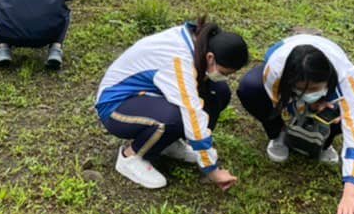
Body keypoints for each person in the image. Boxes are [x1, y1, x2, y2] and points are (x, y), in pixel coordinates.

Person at [95, 17, 248, 191]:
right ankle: (130, 157)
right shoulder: (179, 60)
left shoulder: (199, 44)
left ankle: (167, 144)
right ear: (211, 57)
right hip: (115, 105)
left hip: (149, 95)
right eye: (224, 72)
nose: (225, 77)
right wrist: (212, 169)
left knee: (217, 91)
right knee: (177, 116)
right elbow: (192, 112)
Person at [235, 32, 354, 214]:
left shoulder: (345, 76)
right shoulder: (275, 69)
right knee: (251, 87)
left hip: (326, 89)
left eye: (315, 89)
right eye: (302, 90)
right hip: (282, 84)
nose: (309, 94)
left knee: (340, 113)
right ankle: (278, 135)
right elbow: (277, 101)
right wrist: (303, 106)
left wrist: (350, 191)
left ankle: (324, 143)